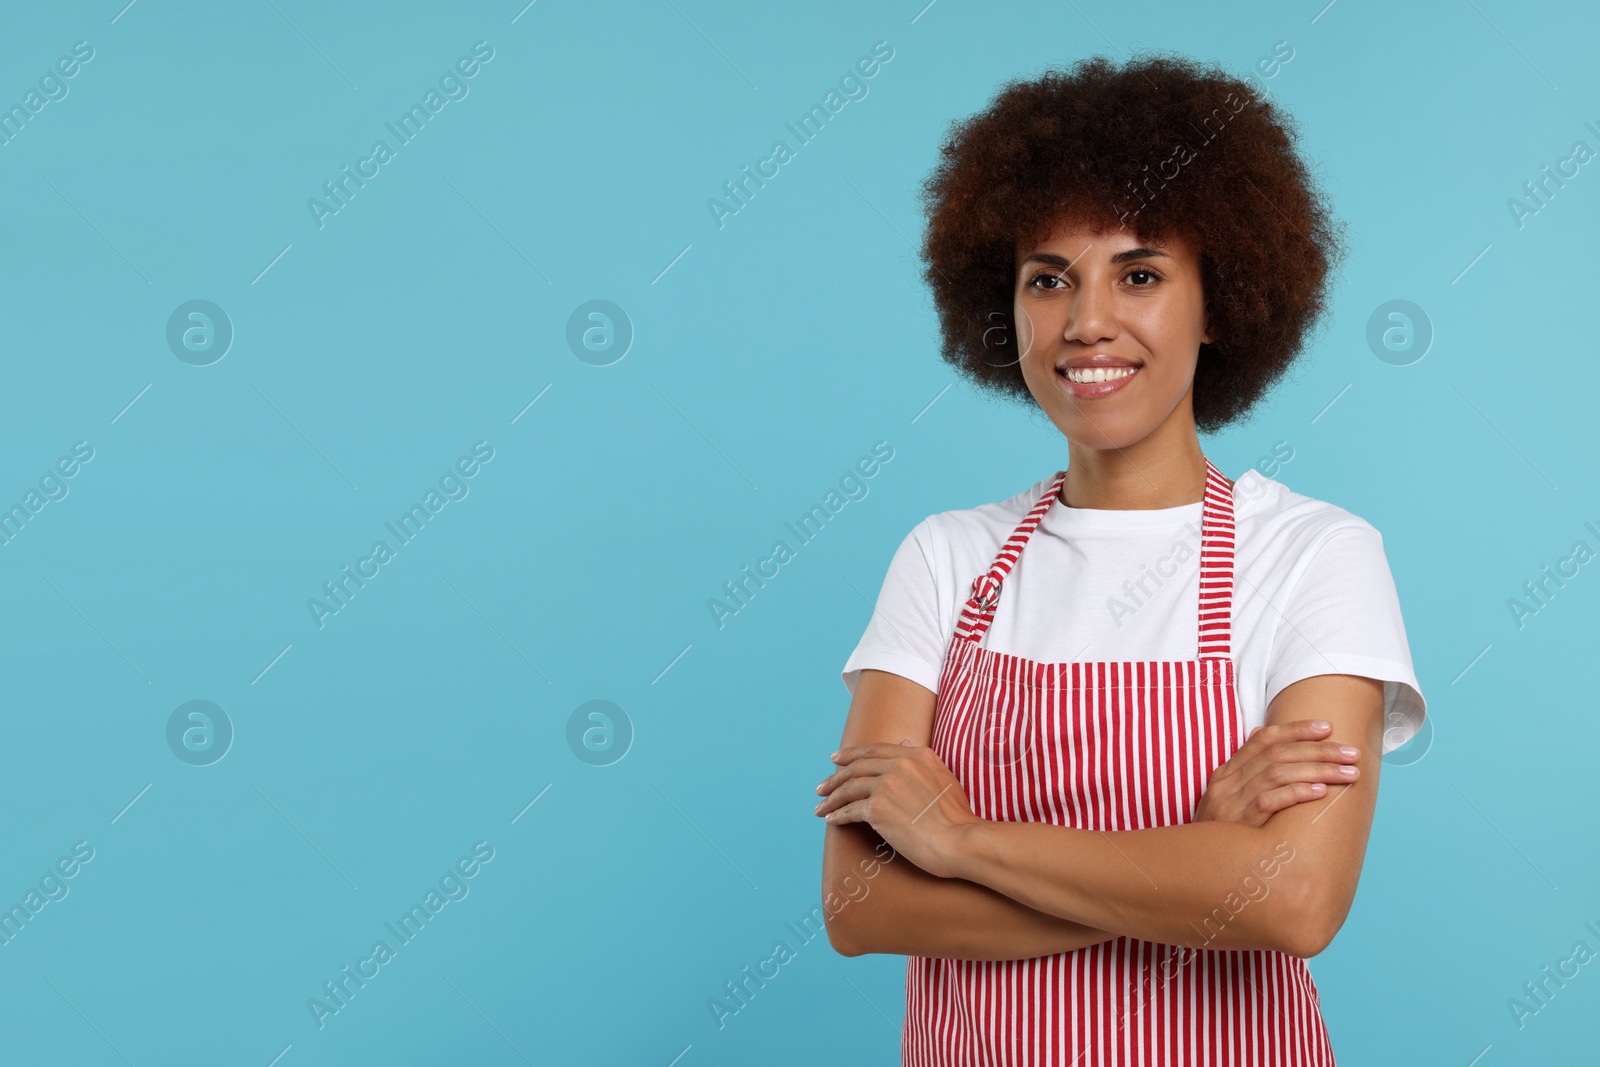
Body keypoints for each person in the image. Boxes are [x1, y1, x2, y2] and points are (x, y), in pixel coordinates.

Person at [814, 52, 1427, 1066]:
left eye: (1138, 274)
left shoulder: (1316, 553)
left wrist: (961, 844)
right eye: (1047, 279)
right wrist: (1202, 860)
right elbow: (860, 904)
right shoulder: (944, 556)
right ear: (1002, 309)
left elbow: (1295, 897)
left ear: (1218, 299)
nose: (1086, 319)